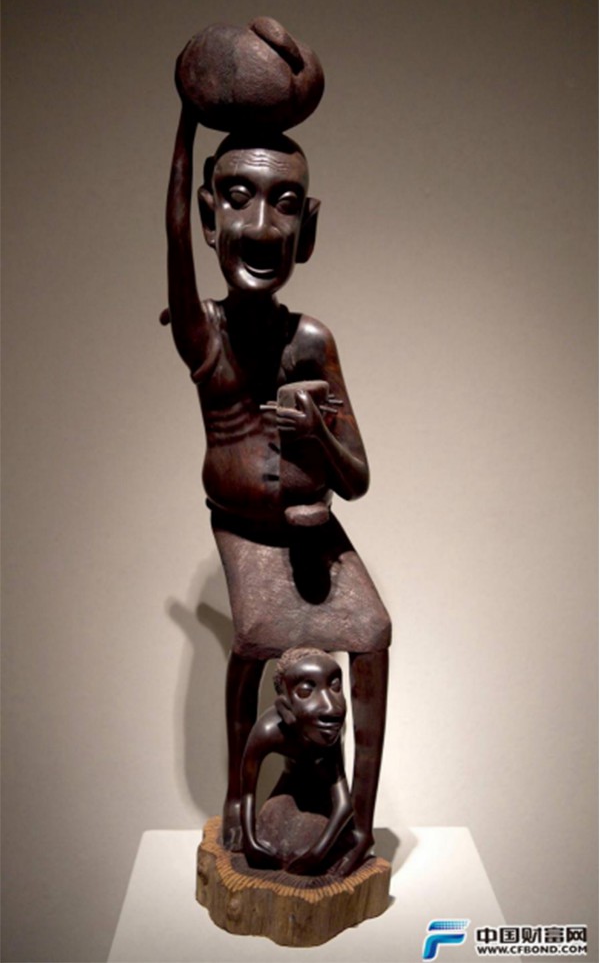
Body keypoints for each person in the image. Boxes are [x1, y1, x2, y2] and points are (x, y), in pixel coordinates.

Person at [164, 98, 390, 874]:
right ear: (208, 215)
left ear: (308, 229)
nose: (261, 227)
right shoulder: (204, 335)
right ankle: (238, 796)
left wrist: (318, 434)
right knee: (257, 638)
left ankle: (358, 822)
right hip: (244, 530)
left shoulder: (313, 341)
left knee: (374, 633)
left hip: (315, 530)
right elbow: (171, 245)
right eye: (236, 198)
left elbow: (358, 480)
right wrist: (186, 116)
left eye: (285, 204)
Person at [240, 647, 353, 875]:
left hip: (322, 793)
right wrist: (250, 841)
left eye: (335, 687)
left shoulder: (329, 734)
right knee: (271, 840)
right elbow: (247, 792)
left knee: (309, 843)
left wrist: (316, 854)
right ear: (285, 708)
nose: (331, 707)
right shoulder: (268, 731)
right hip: (290, 785)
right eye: (306, 691)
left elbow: (344, 804)